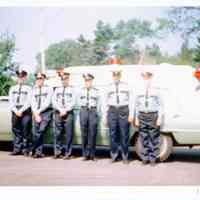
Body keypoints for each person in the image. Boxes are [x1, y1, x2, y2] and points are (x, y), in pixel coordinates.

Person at [104, 69, 134, 164]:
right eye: (114, 75)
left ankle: (125, 156)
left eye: (118, 75)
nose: (116, 77)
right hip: (112, 111)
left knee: (124, 134)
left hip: (123, 110)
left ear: (120, 76)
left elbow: (131, 100)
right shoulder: (108, 86)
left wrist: (131, 114)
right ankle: (114, 155)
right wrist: (105, 115)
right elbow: (105, 102)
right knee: (113, 135)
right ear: (112, 76)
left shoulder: (126, 86)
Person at [134, 69, 164, 165]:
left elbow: (160, 105)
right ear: (142, 78)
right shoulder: (138, 89)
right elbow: (136, 105)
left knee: (153, 137)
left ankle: (152, 159)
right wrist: (136, 118)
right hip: (142, 115)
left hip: (152, 115)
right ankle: (145, 158)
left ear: (151, 78)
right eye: (144, 77)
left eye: (148, 77)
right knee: (143, 137)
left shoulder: (156, 90)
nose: (146, 79)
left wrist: (159, 118)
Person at [52, 71, 76, 159]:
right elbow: (54, 101)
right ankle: (57, 152)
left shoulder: (72, 89)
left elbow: (73, 102)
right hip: (58, 112)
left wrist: (65, 110)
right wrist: (60, 109)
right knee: (57, 133)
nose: (64, 81)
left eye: (65, 79)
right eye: (62, 79)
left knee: (69, 134)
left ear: (68, 79)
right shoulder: (57, 89)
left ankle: (68, 153)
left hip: (68, 113)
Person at [9, 69, 32, 156]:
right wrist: (16, 110)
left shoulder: (28, 88)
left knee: (26, 130)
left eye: (22, 77)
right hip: (15, 110)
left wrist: (21, 110)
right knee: (16, 130)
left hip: (25, 111)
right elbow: (11, 101)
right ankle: (17, 148)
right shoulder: (12, 88)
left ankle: (26, 149)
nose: (20, 79)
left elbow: (29, 101)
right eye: (19, 77)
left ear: (25, 78)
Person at [78, 73, 100, 161]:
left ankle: (92, 155)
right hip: (83, 111)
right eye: (86, 81)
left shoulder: (96, 90)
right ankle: (85, 154)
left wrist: (97, 113)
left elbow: (99, 103)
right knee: (84, 133)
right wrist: (82, 108)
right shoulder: (81, 90)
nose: (87, 82)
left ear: (92, 81)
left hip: (92, 111)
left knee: (93, 133)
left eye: (89, 81)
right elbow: (78, 100)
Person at [31, 72, 53, 158]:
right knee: (36, 131)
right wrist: (36, 113)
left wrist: (38, 112)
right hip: (36, 112)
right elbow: (32, 101)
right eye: (37, 78)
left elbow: (47, 102)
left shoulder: (48, 89)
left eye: (40, 78)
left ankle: (33, 148)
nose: (39, 80)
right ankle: (38, 152)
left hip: (46, 112)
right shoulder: (33, 89)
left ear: (44, 79)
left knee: (41, 130)